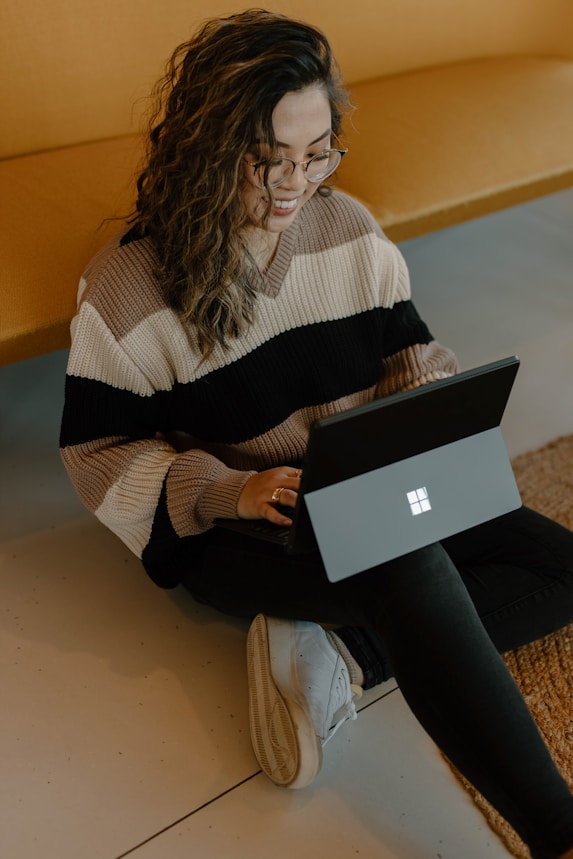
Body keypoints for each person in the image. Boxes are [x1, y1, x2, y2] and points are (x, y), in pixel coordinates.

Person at [59, 9, 573, 857]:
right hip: (247, 523)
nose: (294, 185)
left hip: (364, 482)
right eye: (266, 163)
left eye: (315, 154)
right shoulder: (128, 286)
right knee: (412, 564)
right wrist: (229, 489)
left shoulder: (351, 230)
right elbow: (98, 456)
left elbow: (406, 345)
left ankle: (342, 651)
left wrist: (425, 400)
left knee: (556, 567)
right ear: (206, 146)